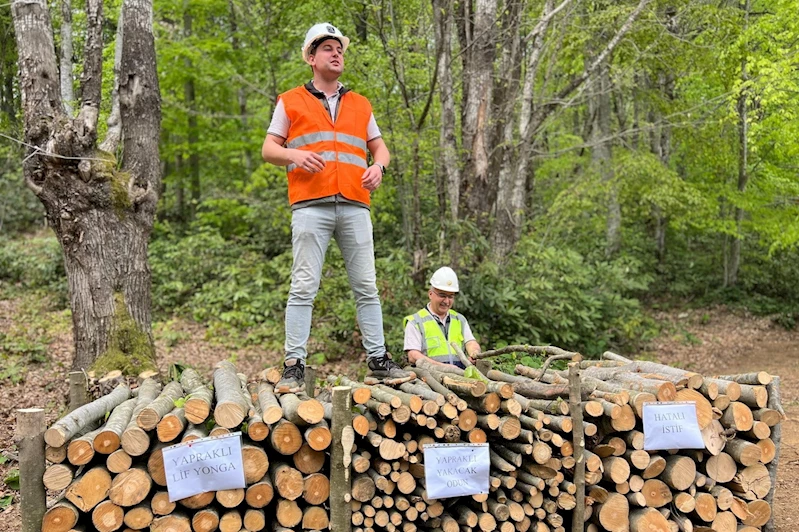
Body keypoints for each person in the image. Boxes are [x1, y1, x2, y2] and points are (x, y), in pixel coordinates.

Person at [262, 22, 412, 392]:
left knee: (366, 286)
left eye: (339, 48)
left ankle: (378, 360)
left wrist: (379, 166)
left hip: (356, 205)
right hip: (310, 206)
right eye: (327, 48)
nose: (336, 53)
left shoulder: (360, 104)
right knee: (303, 286)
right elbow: (269, 149)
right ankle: (294, 365)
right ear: (311, 58)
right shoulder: (290, 100)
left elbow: (379, 147)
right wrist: (294, 154)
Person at [403, 267, 481, 369]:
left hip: (460, 376)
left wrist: (474, 352)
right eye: (442, 295)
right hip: (430, 379)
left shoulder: (459, 319)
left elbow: (470, 342)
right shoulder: (416, 322)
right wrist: (444, 367)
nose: (446, 301)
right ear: (430, 294)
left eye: (451, 296)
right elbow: (413, 356)